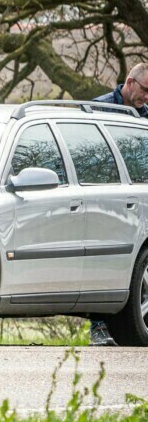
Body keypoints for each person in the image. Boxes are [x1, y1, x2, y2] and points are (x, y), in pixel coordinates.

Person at [85, 64, 148, 345]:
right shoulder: (98, 109)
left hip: (136, 194)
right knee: (103, 259)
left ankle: (132, 327)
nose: (146, 97)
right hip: (102, 195)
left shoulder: (146, 116)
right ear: (130, 82)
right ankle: (99, 326)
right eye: (145, 90)